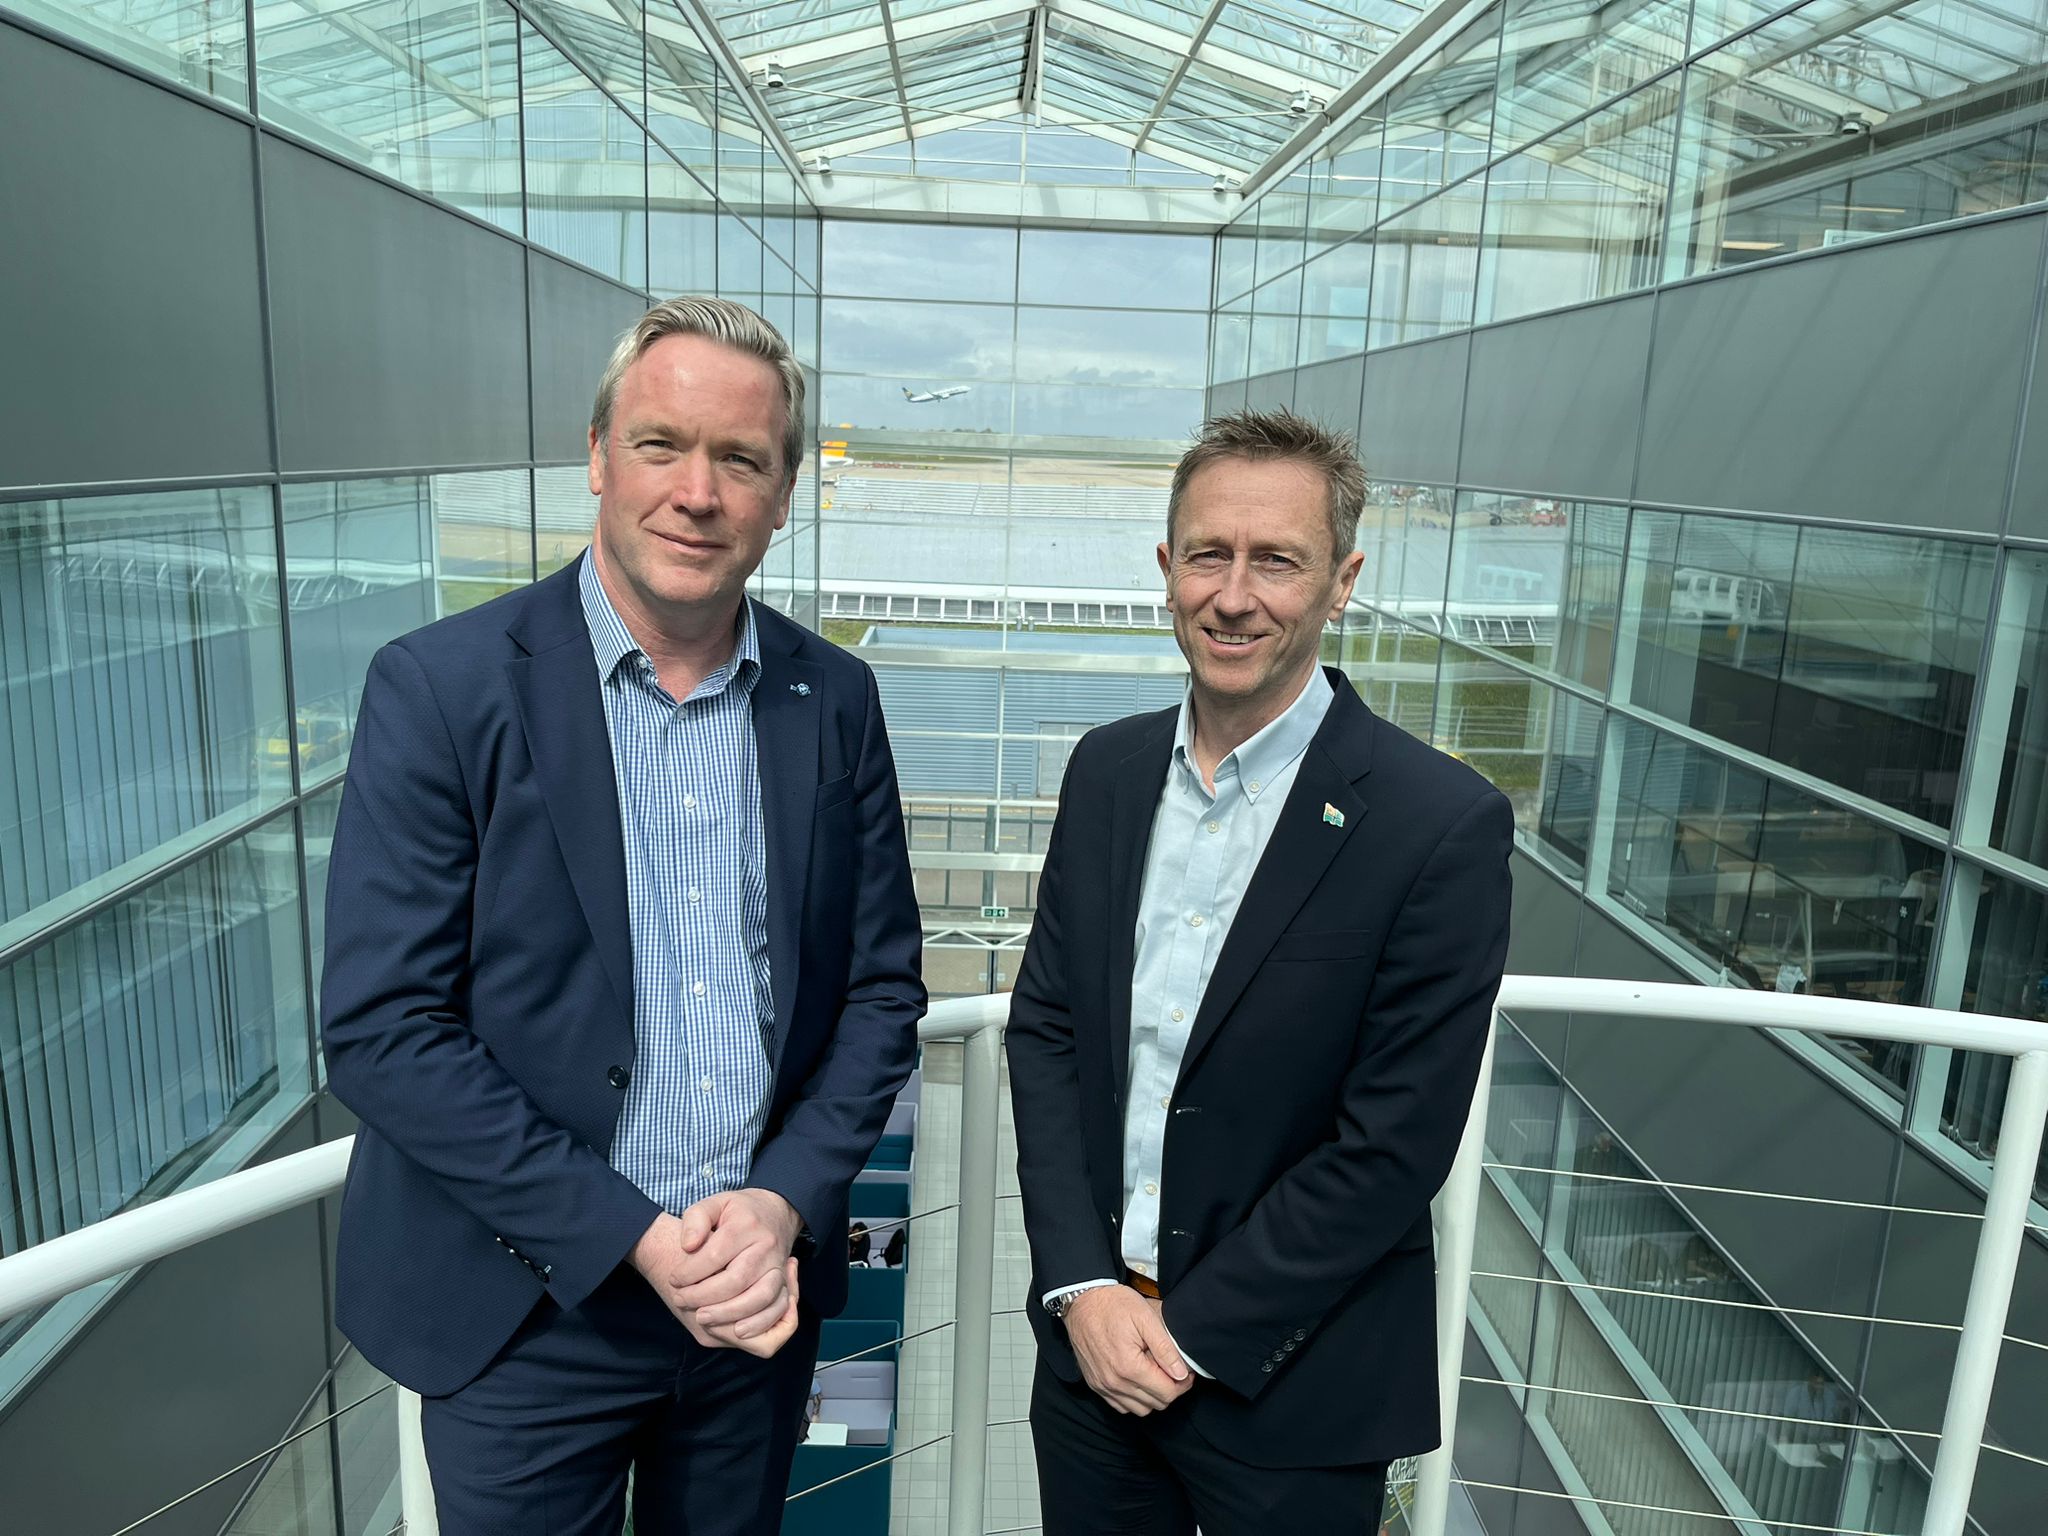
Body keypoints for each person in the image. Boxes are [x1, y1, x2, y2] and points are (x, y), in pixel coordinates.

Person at [321, 297, 926, 1535]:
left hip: (751, 1310)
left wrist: (780, 1203)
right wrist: (633, 1239)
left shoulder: (834, 698)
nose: (696, 492)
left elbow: (878, 992)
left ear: (782, 492)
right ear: (598, 457)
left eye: (740, 459)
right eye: (661, 444)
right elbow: (384, 1029)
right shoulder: (439, 689)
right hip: (524, 1313)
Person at [1007, 408, 1513, 1535]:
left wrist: (1187, 1337)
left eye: (1275, 561)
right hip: (1088, 1362)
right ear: (1166, 568)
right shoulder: (1105, 771)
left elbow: (1393, 1144)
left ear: (1339, 584)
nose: (1233, 595)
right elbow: (1045, 1031)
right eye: (1207, 555)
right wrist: (1082, 1287)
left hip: (1291, 1390)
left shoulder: (1437, 825)